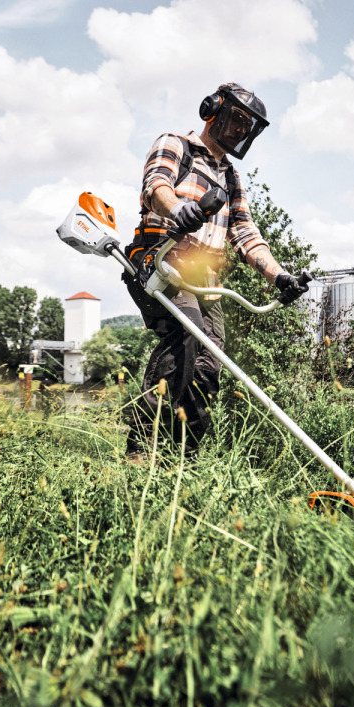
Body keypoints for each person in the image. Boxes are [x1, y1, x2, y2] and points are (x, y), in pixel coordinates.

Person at [123, 82, 309, 460]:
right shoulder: (177, 145)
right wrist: (178, 209)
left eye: (248, 126)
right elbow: (155, 185)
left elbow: (246, 234)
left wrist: (280, 277)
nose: (241, 129)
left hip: (206, 278)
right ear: (213, 109)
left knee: (209, 364)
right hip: (163, 259)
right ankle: (141, 449)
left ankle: (184, 457)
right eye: (237, 119)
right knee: (186, 333)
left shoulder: (231, 178)